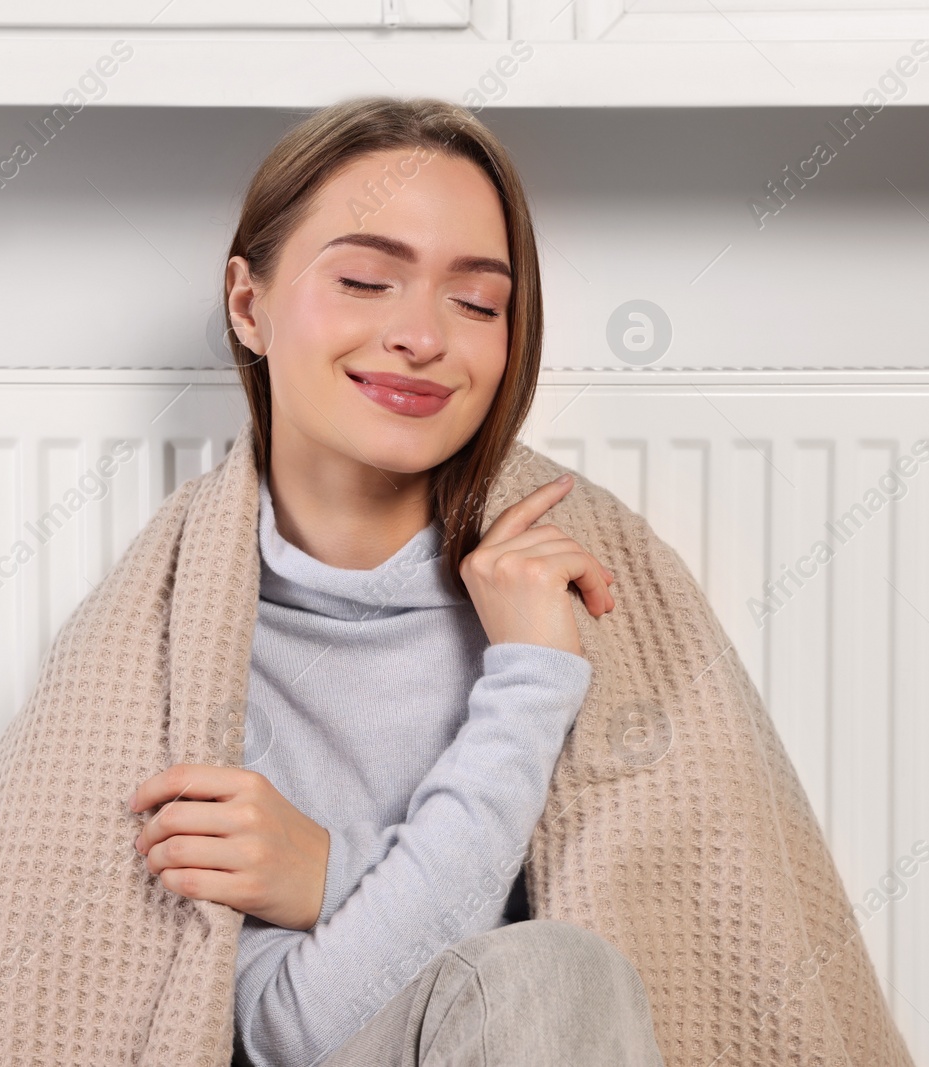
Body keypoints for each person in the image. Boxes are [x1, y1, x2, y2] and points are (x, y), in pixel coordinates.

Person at [122, 96, 666, 1066]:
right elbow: (292, 1031)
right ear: (249, 306)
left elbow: (639, 952)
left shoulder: (577, 596)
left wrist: (324, 871)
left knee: (555, 973)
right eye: (368, 280)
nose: (421, 335)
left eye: (476, 302)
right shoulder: (164, 646)